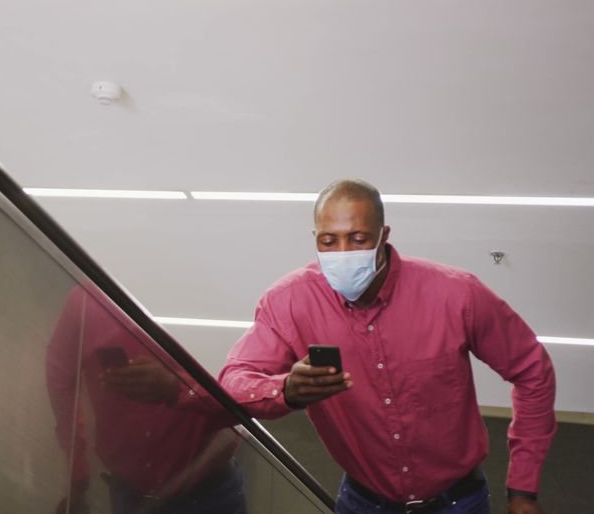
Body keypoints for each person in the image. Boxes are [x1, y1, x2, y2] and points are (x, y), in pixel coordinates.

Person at [218, 179, 556, 514]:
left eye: (358, 239)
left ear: (384, 235)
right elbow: (233, 382)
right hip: (363, 502)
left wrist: (522, 488)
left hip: (458, 501)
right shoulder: (289, 303)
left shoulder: (456, 294)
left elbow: (532, 371)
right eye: (328, 241)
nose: (343, 253)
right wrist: (285, 390)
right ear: (315, 239)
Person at [47, 285, 246, 514]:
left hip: (210, 492)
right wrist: (77, 467)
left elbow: (245, 390)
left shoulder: (210, 301)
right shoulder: (89, 298)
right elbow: (60, 377)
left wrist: (176, 387)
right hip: (130, 496)